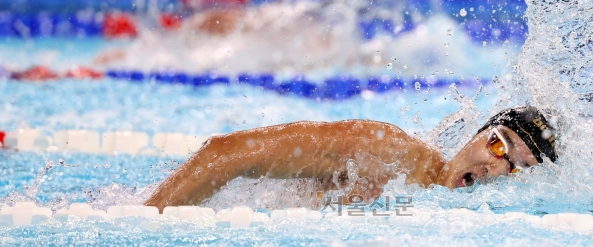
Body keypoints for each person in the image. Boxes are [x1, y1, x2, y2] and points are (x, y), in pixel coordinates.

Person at [145, 106, 557, 211]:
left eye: (517, 166)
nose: (496, 168)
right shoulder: (386, 151)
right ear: (478, 132)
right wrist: (150, 219)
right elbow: (228, 152)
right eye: (499, 146)